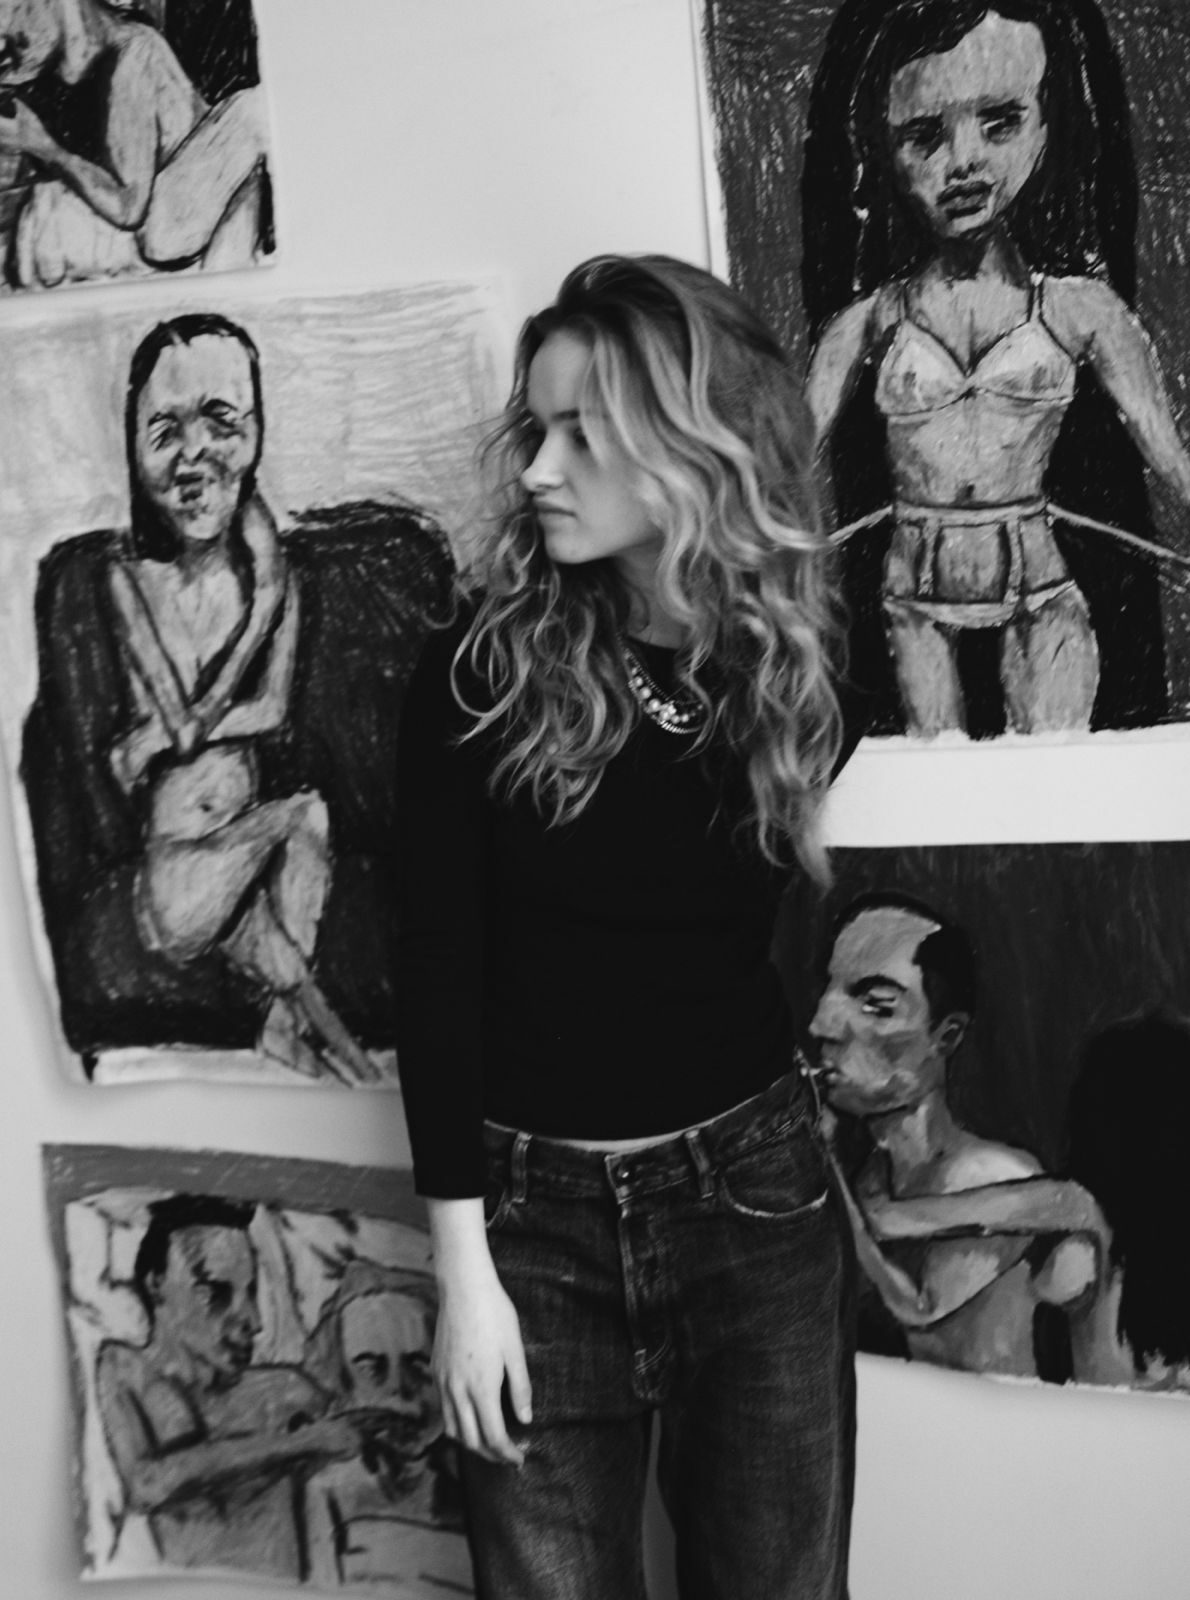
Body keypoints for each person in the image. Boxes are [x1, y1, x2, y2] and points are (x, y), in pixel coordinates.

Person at [395, 254, 860, 1599]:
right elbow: (434, 969)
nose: (539, 468)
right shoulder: (479, 672)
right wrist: (463, 1270)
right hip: (530, 1225)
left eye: (582, 435)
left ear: (691, 447)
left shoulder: (799, 673)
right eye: (535, 428)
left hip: (753, 1201)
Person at [803, 0, 1190, 737]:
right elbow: (779, 471)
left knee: (1059, 783)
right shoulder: (865, 325)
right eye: (925, 135)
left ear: (1045, 128)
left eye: (1000, 122)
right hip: (914, 598)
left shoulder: (1083, 310)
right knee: (935, 791)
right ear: (883, 149)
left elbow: (1171, 460)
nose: (963, 161)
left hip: (1039, 583)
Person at [107, 313, 377, 1084]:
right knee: (302, 818)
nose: (193, 455)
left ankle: (283, 1033)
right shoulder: (129, 580)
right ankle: (354, 1062)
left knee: (305, 825)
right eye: (164, 432)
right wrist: (260, 612)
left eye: (220, 421)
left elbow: (271, 713)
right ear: (135, 449)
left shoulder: (275, 578)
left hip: (240, 859)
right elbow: (188, 727)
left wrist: (264, 603)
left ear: (254, 434)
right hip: (179, 879)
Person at [810, 891, 1120, 1380]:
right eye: (828, 992)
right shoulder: (871, 1177)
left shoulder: (989, 1174)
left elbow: (918, 1307)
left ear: (947, 1036)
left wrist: (823, 1159)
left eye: (876, 1005)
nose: (823, 1026)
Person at [95, 1195, 392, 1577]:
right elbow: (148, 1484)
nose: (253, 1320)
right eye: (215, 1293)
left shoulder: (285, 1390)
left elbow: (367, 1424)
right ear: (157, 1284)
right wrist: (303, 1443)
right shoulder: (124, 1368)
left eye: (250, 1292)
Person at [0, 0, 269, 288]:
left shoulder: (133, 53)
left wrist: (43, 147)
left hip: (177, 227)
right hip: (173, 246)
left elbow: (129, 209)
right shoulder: (43, 89)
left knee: (163, 236)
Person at [303, 1260, 471, 1591]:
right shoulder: (329, 1493)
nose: (399, 1388)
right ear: (342, 1383)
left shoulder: (471, 1488)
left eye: (418, 1365)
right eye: (371, 1369)